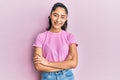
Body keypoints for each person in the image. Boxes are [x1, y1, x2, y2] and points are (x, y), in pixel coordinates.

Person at [32, 2, 78, 80]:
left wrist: (48, 63)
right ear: (50, 15)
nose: (58, 20)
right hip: (48, 77)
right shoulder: (41, 37)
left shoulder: (70, 37)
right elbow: (38, 66)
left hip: (67, 76)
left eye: (62, 17)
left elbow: (74, 63)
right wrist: (65, 66)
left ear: (66, 18)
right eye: (55, 15)